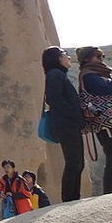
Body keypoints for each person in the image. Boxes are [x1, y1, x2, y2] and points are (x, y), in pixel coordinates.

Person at [43, 46, 85, 201]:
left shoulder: (58, 74)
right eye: (65, 54)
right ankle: (69, 198)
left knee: (78, 162)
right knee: (74, 162)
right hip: (66, 125)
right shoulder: (55, 74)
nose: (69, 57)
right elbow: (53, 98)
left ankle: (73, 197)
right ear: (57, 58)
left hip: (68, 124)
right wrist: (73, 113)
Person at [77, 46, 112, 194]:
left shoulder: (95, 74)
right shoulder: (88, 76)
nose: (101, 59)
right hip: (106, 124)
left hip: (111, 122)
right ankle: (108, 194)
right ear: (87, 59)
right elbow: (109, 88)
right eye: (98, 56)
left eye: (102, 56)